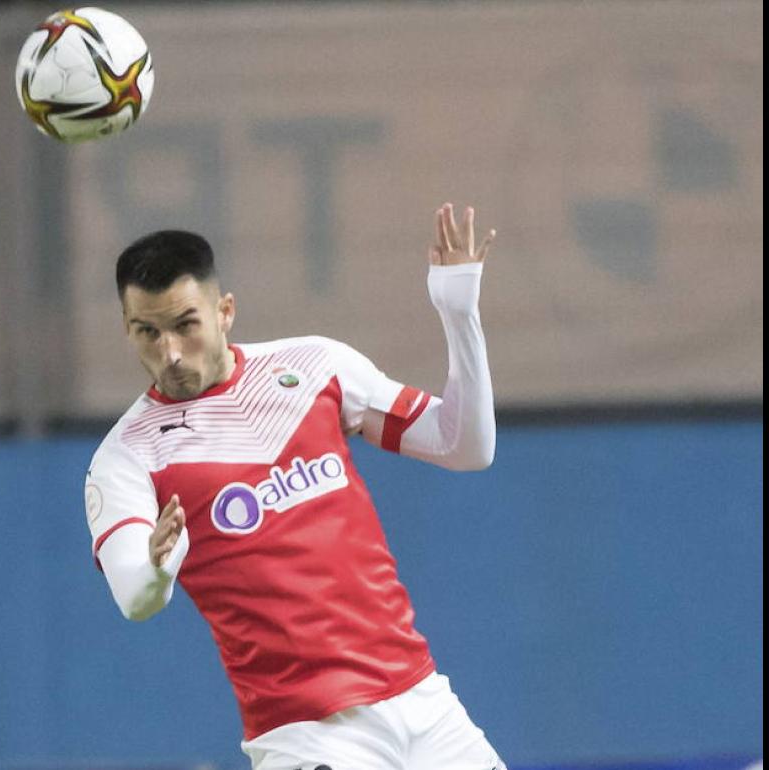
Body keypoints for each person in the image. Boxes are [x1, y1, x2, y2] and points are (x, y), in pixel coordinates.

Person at [84, 203, 505, 769]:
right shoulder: (127, 456)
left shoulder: (314, 367)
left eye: (186, 324)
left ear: (225, 310)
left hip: (423, 702)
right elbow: (135, 597)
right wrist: (158, 569)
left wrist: (459, 312)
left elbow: (465, 445)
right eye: (147, 333)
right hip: (308, 734)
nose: (171, 353)